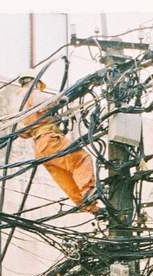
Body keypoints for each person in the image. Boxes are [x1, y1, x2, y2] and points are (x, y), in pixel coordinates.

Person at [17, 69, 99, 214]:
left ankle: (87, 206)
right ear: (36, 83)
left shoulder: (19, 102)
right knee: (81, 159)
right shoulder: (32, 93)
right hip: (50, 139)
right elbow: (47, 103)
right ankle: (88, 193)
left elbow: (23, 132)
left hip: (40, 148)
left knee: (65, 176)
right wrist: (62, 99)